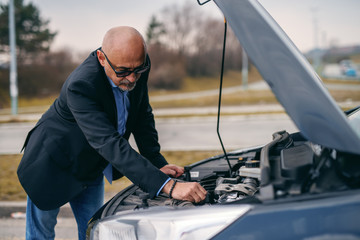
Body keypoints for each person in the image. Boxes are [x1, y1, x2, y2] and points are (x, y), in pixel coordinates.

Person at [17, 26, 207, 240]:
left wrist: (156, 162)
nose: (133, 78)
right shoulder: (81, 85)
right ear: (101, 58)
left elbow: (142, 113)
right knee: (40, 235)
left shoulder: (136, 64)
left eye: (138, 70)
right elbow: (109, 142)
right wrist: (168, 186)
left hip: (92, 164)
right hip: (52, 162)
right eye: (123, 71)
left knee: (94, 231)